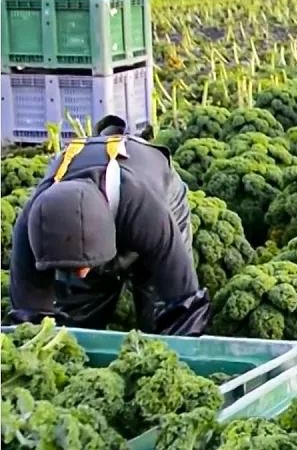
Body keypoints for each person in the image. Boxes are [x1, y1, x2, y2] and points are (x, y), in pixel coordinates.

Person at [6, 116, 211, 336]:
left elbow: (183, 299)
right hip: (87, 208)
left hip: (151, 188)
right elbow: (30, 313)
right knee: (78, 312)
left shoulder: (146, 211)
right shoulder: (32, 224)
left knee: (156, 306)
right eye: (72, 267)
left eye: (81, 266)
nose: (81, 273)